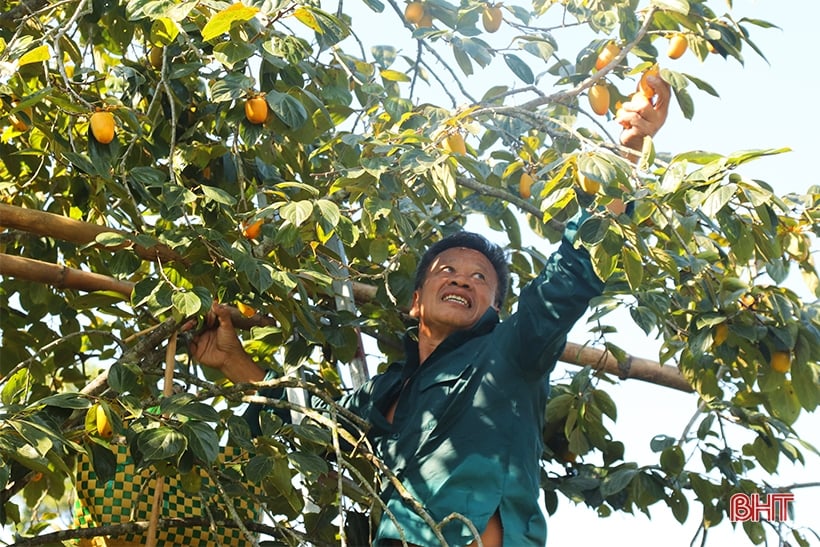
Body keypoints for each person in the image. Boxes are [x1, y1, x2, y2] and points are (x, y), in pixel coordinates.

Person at [190, 75, 671, 546]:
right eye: (447, 270)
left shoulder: (509, 354)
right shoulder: (387, 389)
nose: (463, 278)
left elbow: (567, 279)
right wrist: (232, 360)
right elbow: (310, 419)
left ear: (496, 309)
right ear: (414, 301)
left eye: (481, 278)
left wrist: (622, 155)